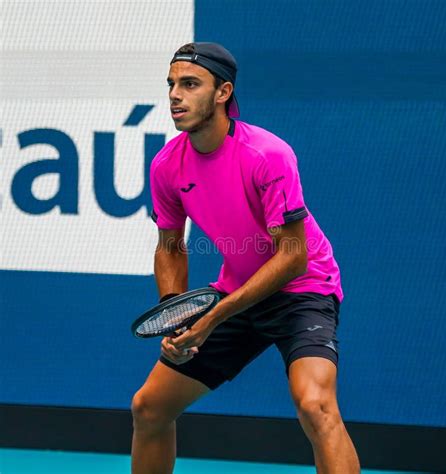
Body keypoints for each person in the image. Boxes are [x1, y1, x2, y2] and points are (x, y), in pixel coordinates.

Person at [131, 42, 360, 474]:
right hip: (237, 290)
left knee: (316, 406)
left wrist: (213, 317)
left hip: (303, 290)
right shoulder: (166, 166)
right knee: (148, 408)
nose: (175, 95)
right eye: (171, 85)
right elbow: (170, 246)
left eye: (190, 84)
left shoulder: (267, 155)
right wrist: (176, 314)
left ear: (222, 92)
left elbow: (294, 257)